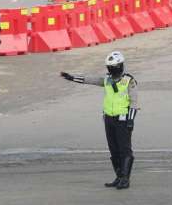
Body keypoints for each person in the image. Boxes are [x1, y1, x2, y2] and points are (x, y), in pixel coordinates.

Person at [60, 51, 139, 190]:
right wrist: (72, 78)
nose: (110, 70)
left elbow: (133, 102)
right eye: (109, 67)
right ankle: (119, 176)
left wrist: (131, 120)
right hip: (109, 119)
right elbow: (89, 80)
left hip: (123, 120)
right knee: (113, 150)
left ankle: (125, 179)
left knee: (124, 150)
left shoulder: (129, 81)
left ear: (120, 66)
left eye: (113, 67)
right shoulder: (107, 80)